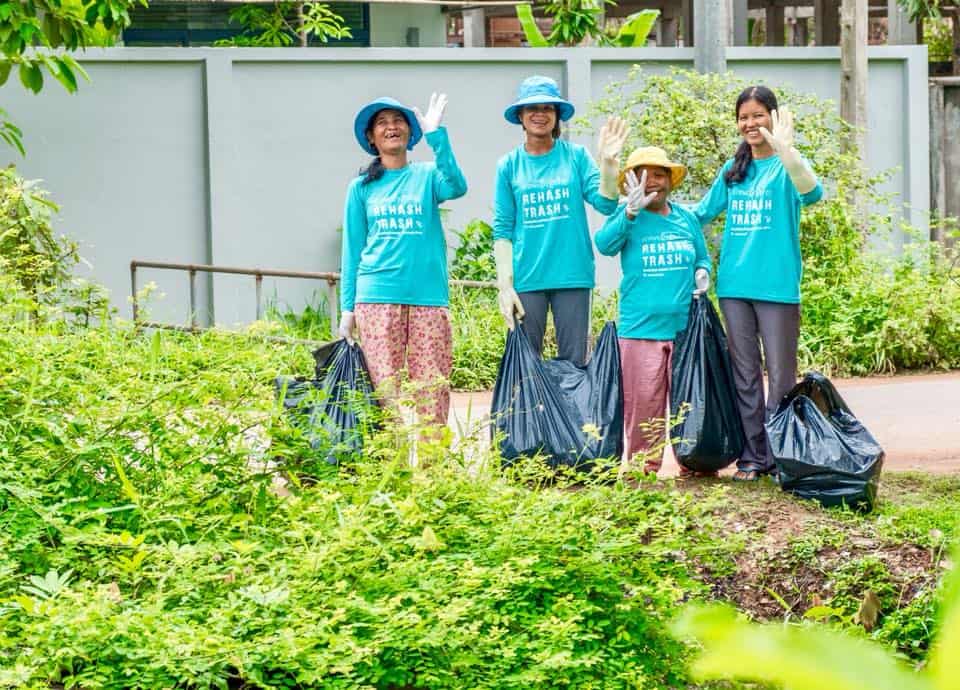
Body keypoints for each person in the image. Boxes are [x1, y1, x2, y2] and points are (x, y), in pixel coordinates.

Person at [694, 85, 823, 482]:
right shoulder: (732, 171)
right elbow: (698, 215)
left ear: (773, 117)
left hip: (778, 289)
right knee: (744, 376)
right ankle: (753, 458)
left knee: (782, 378)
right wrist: (651, 216)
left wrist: (787, 151)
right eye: (743, 117)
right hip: (734, 287)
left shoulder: (786, 166)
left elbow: (813, 192)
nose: (750, 123)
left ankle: (783, 456)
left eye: (758, 115)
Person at [338, 93, 467, 428]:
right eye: (382, 123)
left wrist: (438, 137)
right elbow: (353, 250)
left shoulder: (427, 176)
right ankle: (390, 470)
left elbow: (457, 186)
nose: (391, 127)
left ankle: (432, 469)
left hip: (427, 298)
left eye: (398, 121)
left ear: (410, 133)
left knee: (432, 389)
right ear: (371, 137)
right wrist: (347, 310)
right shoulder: (361, 188)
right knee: (384, 394)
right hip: (376, 299)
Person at [493, 74, 627, 366]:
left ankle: (573, 414)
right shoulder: (508, 166)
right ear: (520, 116)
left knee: (575, 364)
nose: (540, 115)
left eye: (547, 108)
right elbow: (502, 230)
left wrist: (608, 164)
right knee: (525, 365)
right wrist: (505, 285)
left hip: (572, 274)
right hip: (528, 278)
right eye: (532, 109)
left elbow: (605, 203)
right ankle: (529, 414)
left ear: (556, 117)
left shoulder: (575, 156)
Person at [594, 147, 712, 476]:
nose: (652, 182)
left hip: (684, 330)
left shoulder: (686, 218)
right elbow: (604, 244)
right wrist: (629, 213)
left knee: (690, 402)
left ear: (670, 180)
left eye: (659, 174)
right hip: (640, 329)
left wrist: (703, 274)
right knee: (644, 404)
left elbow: (702, 257)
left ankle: (695, 463)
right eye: (643, 175)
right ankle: (642, 469)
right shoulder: (627, 215)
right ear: (632, 182)